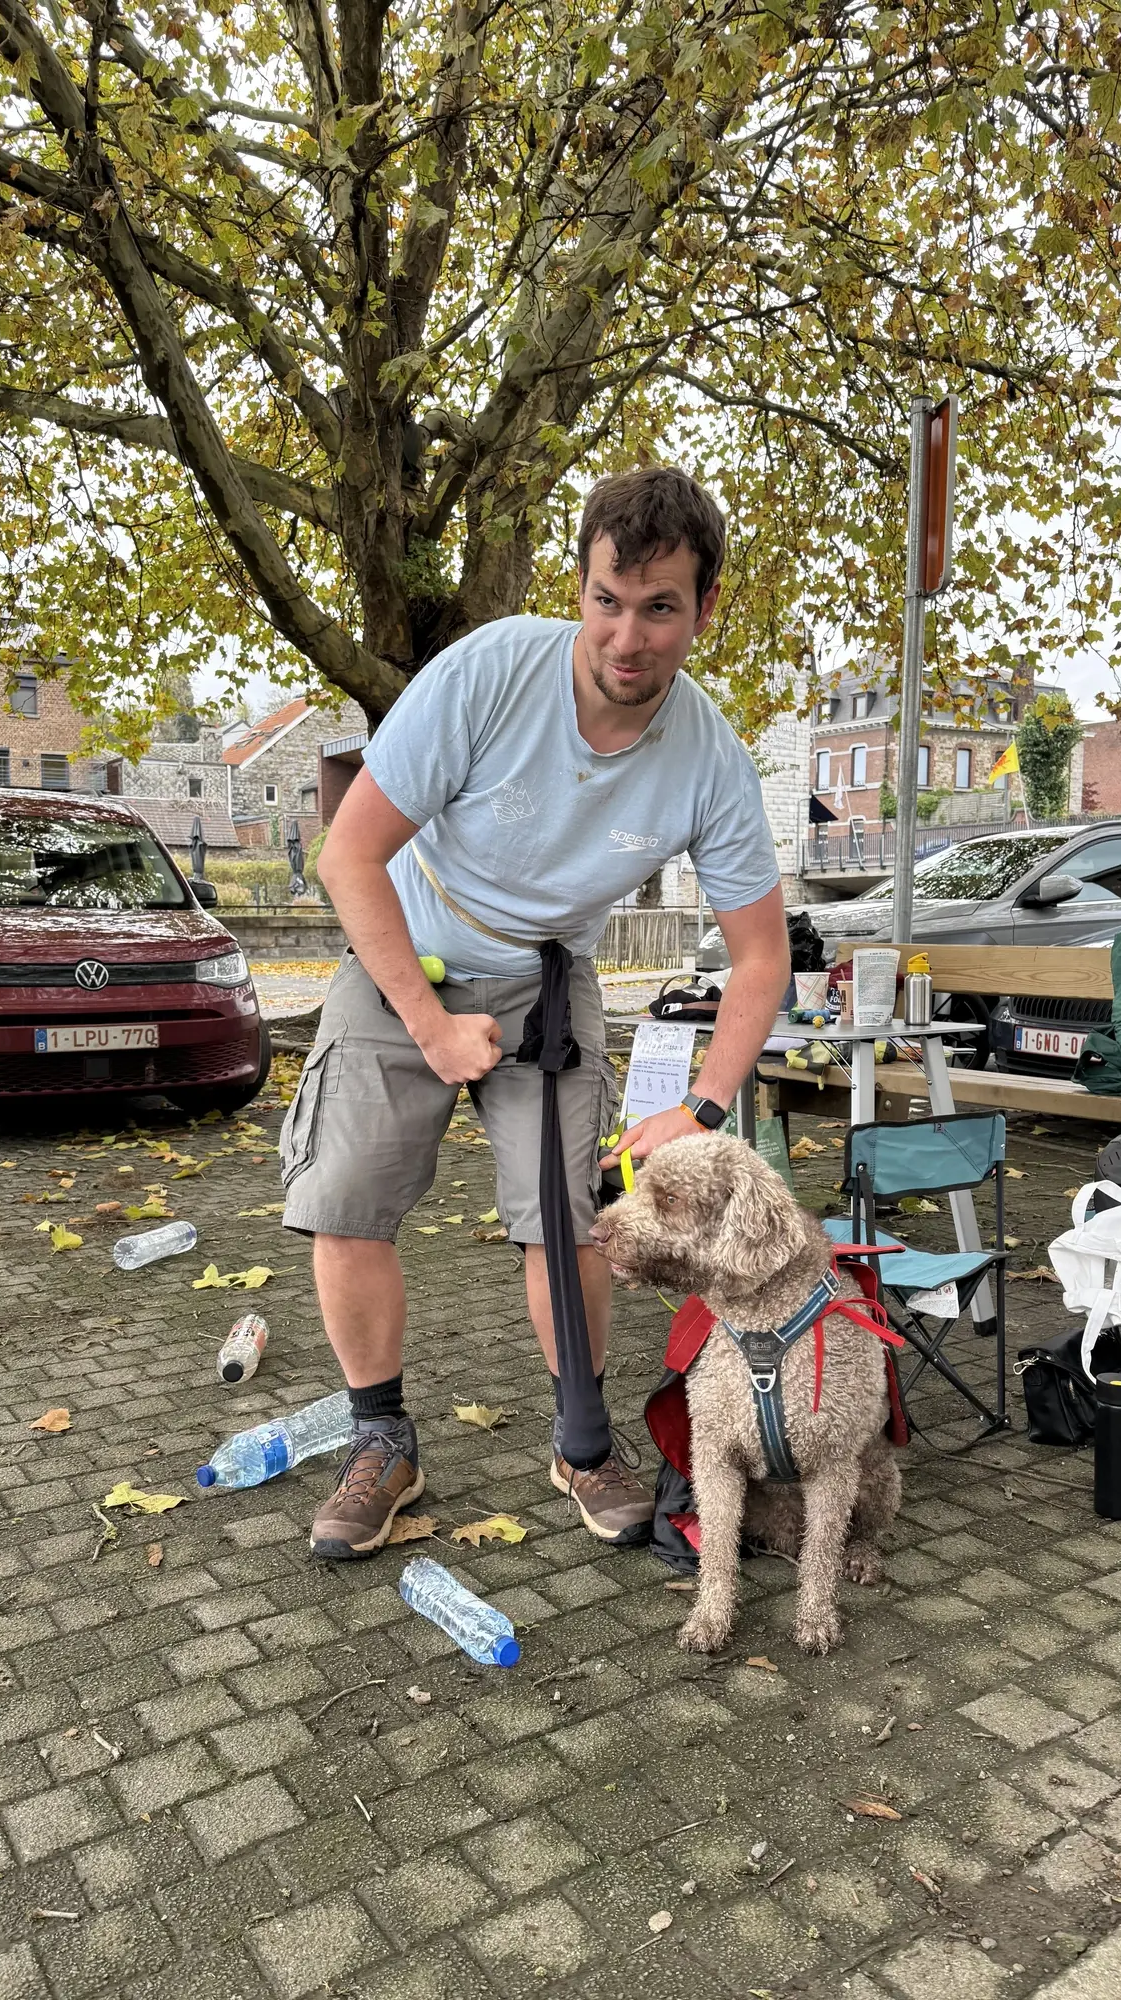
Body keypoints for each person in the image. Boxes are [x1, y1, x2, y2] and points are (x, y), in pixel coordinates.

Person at [280, 466, 791, 1559]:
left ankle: (582, 1434)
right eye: (609, 597)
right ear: (581, 585)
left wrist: (700, 1109)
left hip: (550, 981)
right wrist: (429, 1025)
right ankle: (382, 1437)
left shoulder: (711, 760)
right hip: (403, 955)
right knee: (347, 1199)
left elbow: (759, 959)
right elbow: (349, 854)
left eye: (662, 607)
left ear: (704, 611)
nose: (629, 635)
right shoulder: (489, 675)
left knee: (570, 1218)